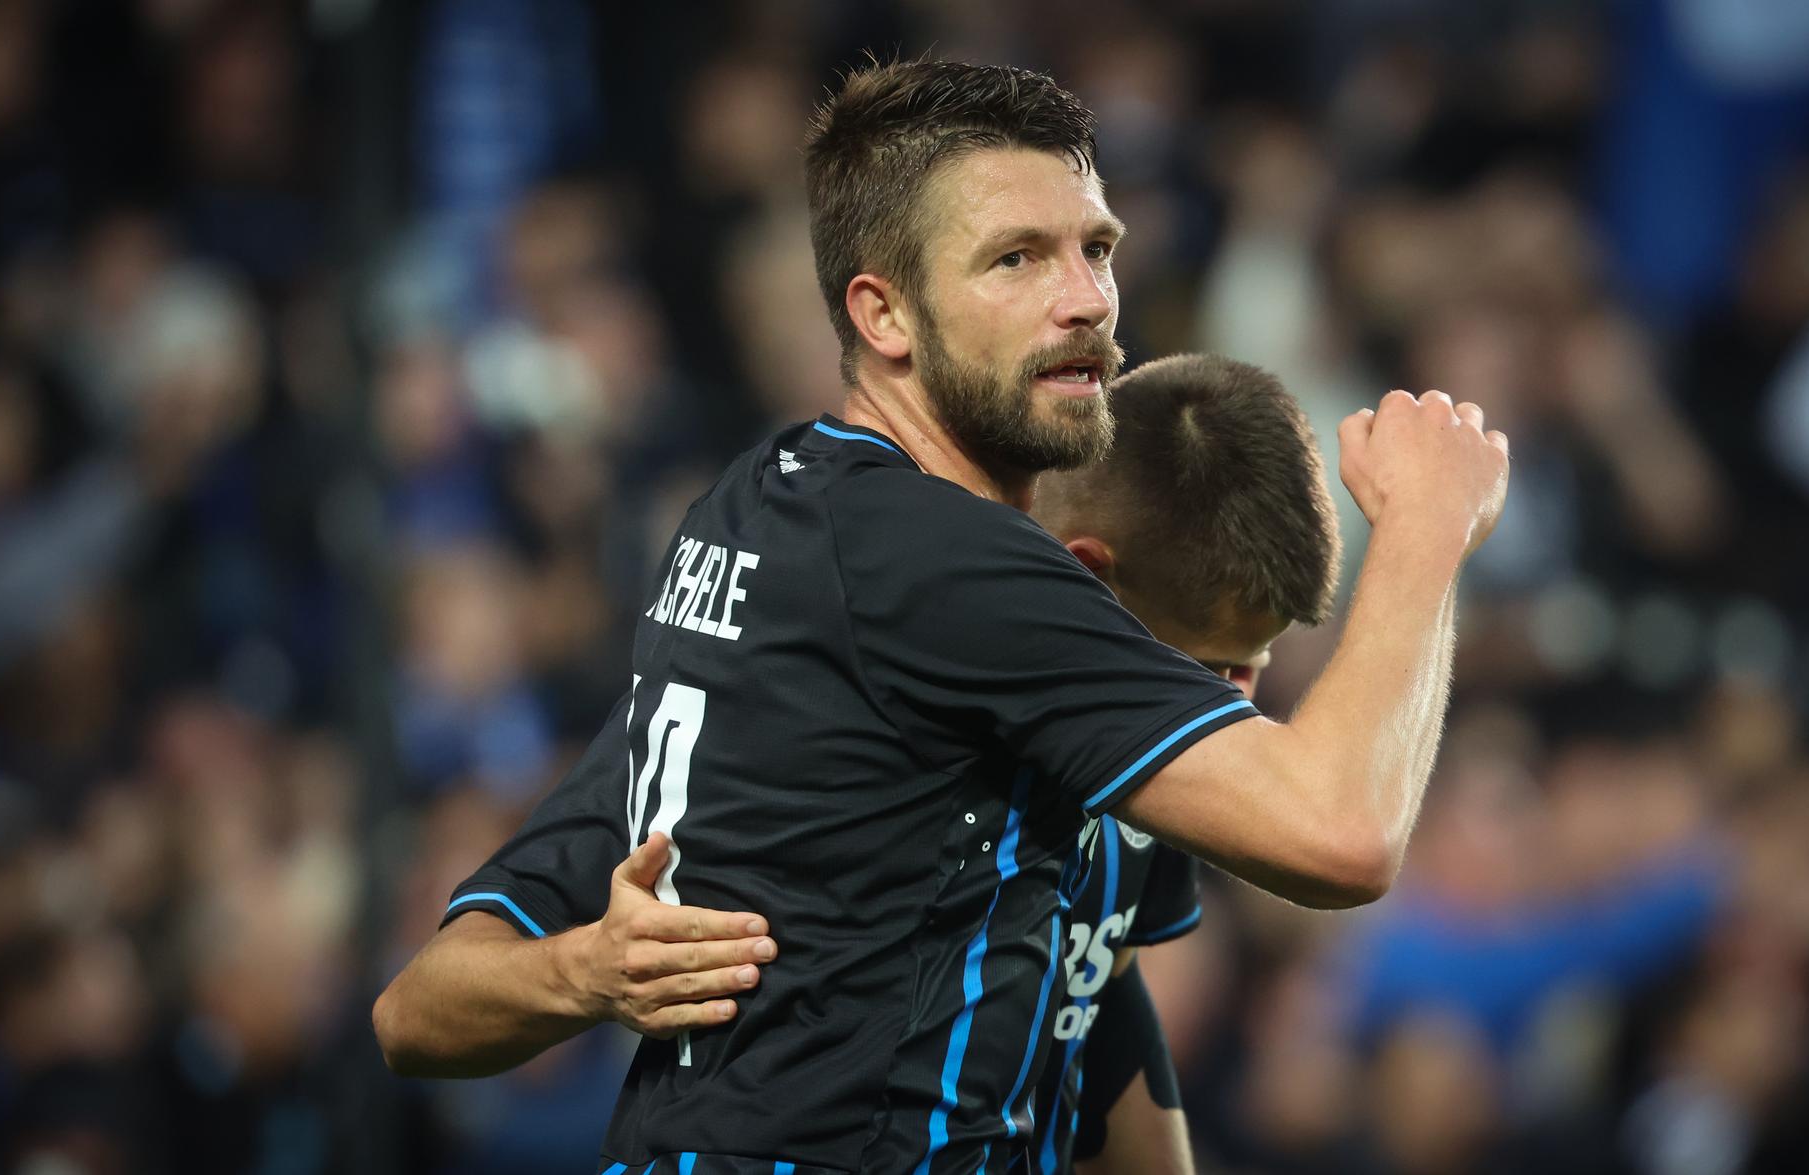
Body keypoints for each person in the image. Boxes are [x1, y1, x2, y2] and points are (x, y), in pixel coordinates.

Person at [375, 58, 1508, 1174]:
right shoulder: (933, 560)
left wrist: (583, 967)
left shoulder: (780, 520)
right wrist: (1423, 530)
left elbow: (419, 1007)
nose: (1084, 301)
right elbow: (1343, 833)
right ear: (884, 312)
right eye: (1016, 259)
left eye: (1095, 248)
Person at [1023, 353, 1342, 1175]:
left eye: (1253, 666)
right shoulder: (922, 676)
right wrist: (1426, 538)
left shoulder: (1134, 730)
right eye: (1211, 668)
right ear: (1089, 573)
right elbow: (1350, 843)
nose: (1234, 704)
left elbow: (1104, 987)